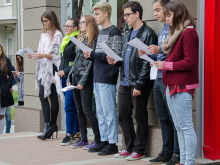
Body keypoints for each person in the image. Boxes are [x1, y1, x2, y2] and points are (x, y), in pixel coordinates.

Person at [107, 1, 157, 161]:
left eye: (127, 14)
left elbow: (147, 61)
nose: (125, 18)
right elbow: (126, 57)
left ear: (137, 14)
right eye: (124, 15)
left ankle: (139, 149)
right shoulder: (128, 33)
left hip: (138, 82)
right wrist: (115, 60)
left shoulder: (148, 34)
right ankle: (128, 147)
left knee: (140, 116)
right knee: (122, 114)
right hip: (125, 81)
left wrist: (140, 84)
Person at [154, 1, 199, 164]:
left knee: (185, 127)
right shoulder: (177, 32)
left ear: (178, 14)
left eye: (169, 15)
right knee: (179, 127)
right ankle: (184, 161)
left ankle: (188, 161)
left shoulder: (188, 33)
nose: (166, 18)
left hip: (181, 86)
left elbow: (191, 62)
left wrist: (165, 65)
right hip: (171, 85)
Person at [138, 0, 180, 164]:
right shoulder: (163, 28)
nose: (155, 14)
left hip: (169, 79)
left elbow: (175, 52)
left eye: (157, 10)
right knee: (163, 117)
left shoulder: (175, 28)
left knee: (173, 117)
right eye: (153, 10)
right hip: (158, 77)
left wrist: (159, 50)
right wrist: (149, 55)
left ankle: (177, 153)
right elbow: (161, 56)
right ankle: (166, 151)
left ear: (168, 9)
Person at [83, 2, 122, 155]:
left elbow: (115, 56)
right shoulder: (101, 32)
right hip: (98, 76)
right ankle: (104, 141)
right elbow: (100, 56)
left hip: (107, 76)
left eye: (97, 13)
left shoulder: (114, 31)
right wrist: (90, 55)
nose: (95, 16)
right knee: (100, 112)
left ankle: (112, 144)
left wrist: (93, 55)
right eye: (94, 13)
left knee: (109, 112)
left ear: (106, 13)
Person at [27, 9, 63, 140]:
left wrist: (43, 55)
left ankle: (52, 125)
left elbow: (57, 55)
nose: (44, 23)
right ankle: (48, 125)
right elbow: (41, 51)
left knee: (53, 96)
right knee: (43, 95)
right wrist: (34, 55)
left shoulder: (58, 34)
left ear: (52, 20)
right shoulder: (44, 34)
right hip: (43, 67)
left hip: (53, 67)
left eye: (46, 21)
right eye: (42, 21)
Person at [66, 15, 101, 150]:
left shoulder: (94, 40)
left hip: (84, 79)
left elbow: (91, 65)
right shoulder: (81, 38)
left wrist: (83, 81)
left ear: (90, 24)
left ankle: (97, 139)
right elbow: (76, 61)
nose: (80, 24)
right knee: (79, 110)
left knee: (87, 110)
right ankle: (84, 139)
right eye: (79, 22)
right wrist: (69, 76)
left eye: (82, 22)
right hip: (75, 77)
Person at [53, 18, 80, 146]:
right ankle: (76, 132)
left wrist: (66, 70)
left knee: (69, 106)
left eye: (69, 26)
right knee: (72, 106)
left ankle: (70, 134)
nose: (66, 28)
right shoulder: (66, 40)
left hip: (73, 78)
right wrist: (58, 73)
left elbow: (77, 62)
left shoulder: (76, 41)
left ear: (76, 28)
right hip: (64, 77)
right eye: (65, 25)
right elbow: (63, 61)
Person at [0, 44, 14, 134]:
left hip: (3, 90)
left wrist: (8, 86)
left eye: (0, 50)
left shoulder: (6, 60)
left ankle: (1, 135)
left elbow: (11, 74)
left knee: (1, 115)